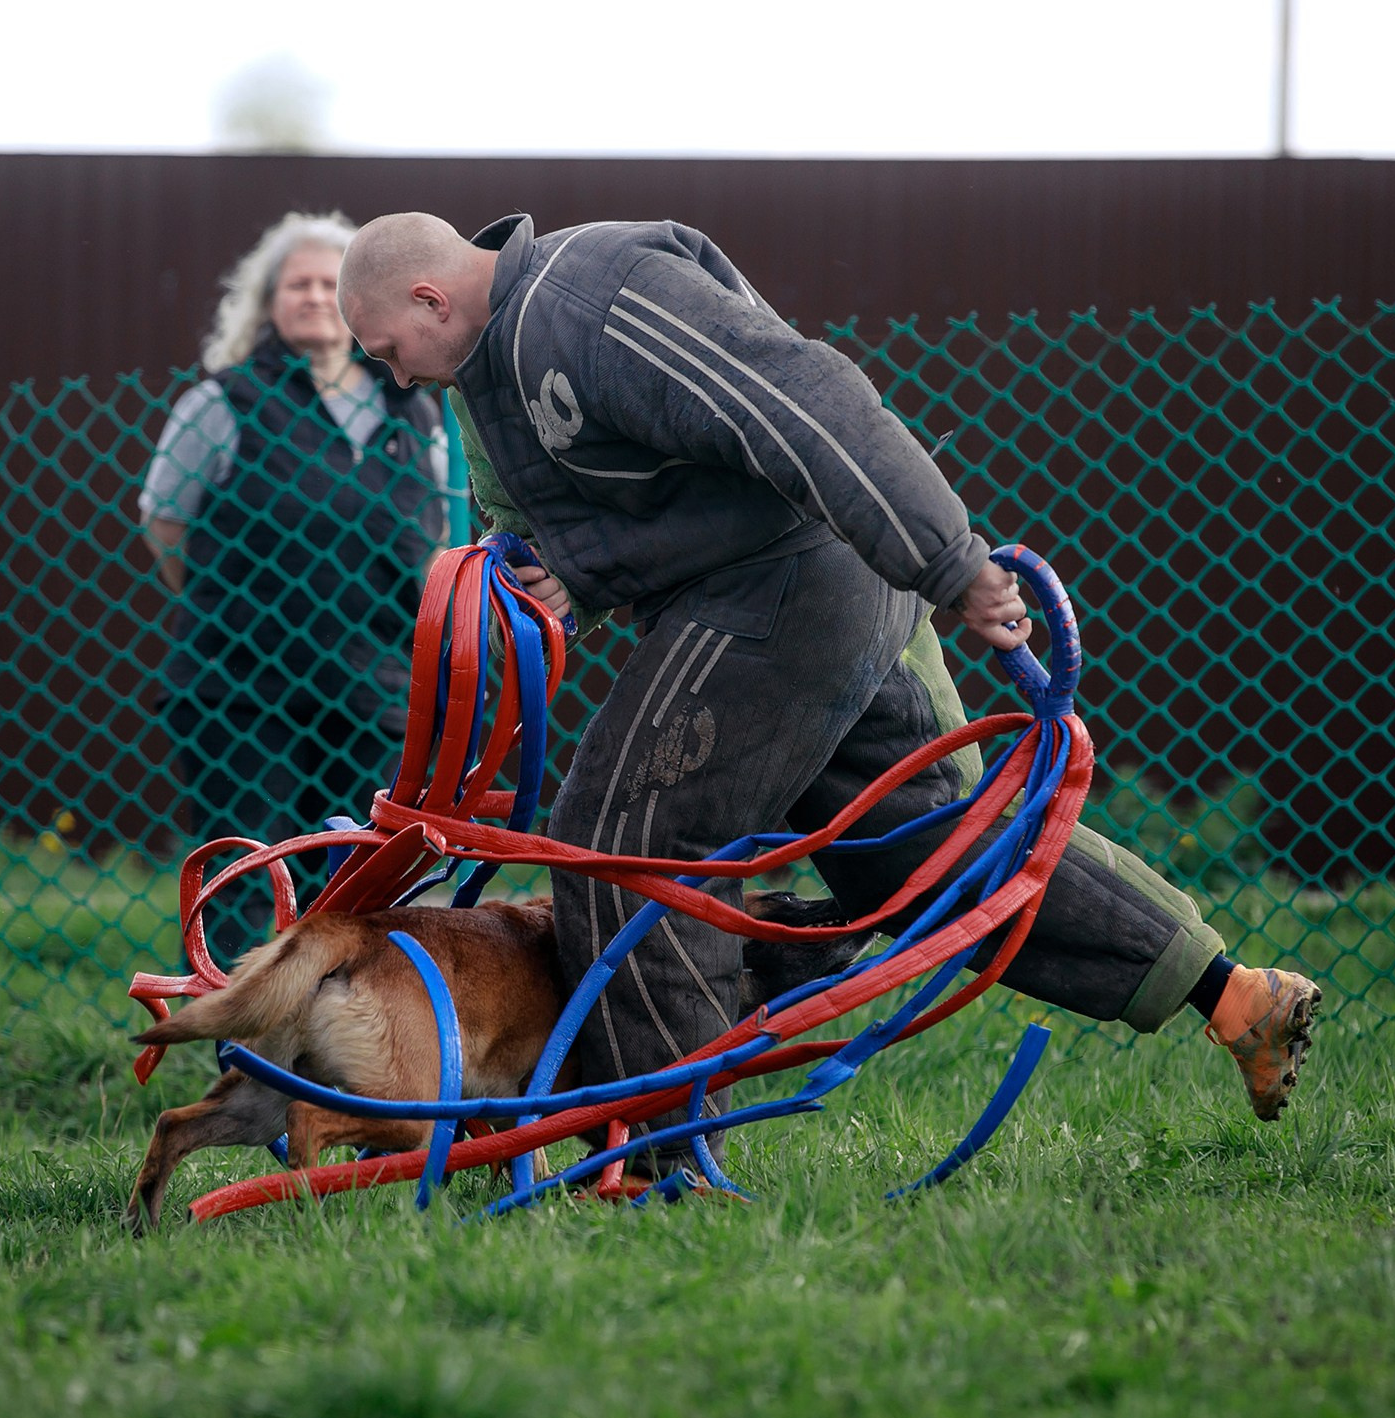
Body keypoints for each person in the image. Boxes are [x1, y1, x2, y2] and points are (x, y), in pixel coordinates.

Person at [335, 212, 1327, 1160]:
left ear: (431, 298)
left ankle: (660, 1157)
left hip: (790, 581)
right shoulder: (486, 371)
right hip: (765, 593)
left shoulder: (597, 297)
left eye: (385, 349)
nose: (395, 374)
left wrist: (951, 562)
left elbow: (805, 399)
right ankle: (1232, 995)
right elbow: (539, 515)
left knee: (621, 839)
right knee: (922, 850)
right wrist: (557, 579)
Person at [138, 212, 451, 957]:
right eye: (296, 283)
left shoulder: (414, 410)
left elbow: (436, 537)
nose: (314, 295)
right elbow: (165, 521)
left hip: (372, 692)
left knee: (349, 887)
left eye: (329, 282)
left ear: (359, 298)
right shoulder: (225, 403)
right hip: (240, 689)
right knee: (246, 877)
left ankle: (326, 1063)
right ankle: (240, 1054)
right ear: (268, 302)